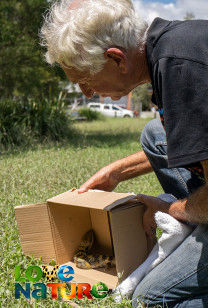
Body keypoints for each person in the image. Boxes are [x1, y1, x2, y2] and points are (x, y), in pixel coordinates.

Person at [40, 0, 208, 306]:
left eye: (86, 81)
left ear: (117, 59)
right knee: (155, 134)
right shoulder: (171, 49)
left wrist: (170, 209)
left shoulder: (181, 70)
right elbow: (195, 138)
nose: (87, 94)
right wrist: (116, 172)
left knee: (151, 298)